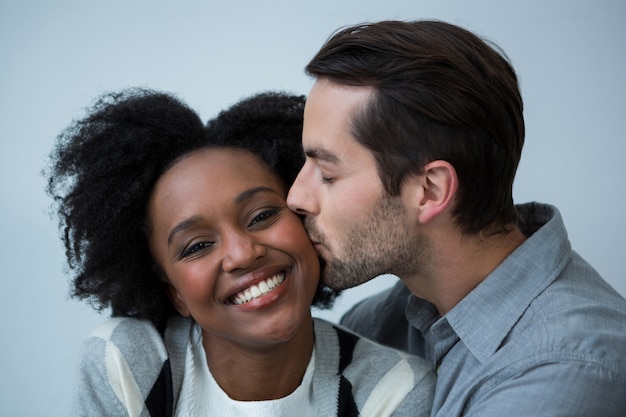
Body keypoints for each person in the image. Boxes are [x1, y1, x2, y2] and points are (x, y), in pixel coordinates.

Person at [286, 19, 626, 416]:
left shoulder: (569, 367)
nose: (295, 196)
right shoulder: (378, 325)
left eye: (327, 174)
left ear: (430, 190)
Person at [45, 88, 435, 416]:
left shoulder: (392, 389)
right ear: (174, 292)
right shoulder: (127, 363)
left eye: (262, 215)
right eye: (197, 246)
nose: (242, 254)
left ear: (304, 217)